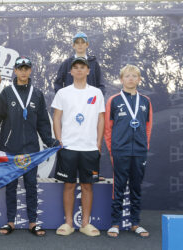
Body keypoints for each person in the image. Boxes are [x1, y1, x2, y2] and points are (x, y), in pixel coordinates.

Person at [0, 56, 59, 236]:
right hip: (10, 149)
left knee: (31, 185)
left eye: (26, 68)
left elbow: (43, 122)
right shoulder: (7, 93)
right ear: (15, 71)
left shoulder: (37, 94)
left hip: (31, 150)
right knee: (11, 186)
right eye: (19, 68)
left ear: (30, 71)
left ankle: (33, 222)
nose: (23, 71)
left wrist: (49, 141)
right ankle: (10, 222)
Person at [52, 57, 105, 237]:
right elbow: (57, 118)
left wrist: (98, 143)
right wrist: (59, 139)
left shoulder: (97, 93)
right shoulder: (63, 93)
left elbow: (101, 119)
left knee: (87, 186)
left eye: (83, 67)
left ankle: (85, 223)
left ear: (89, 71)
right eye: (76, 67)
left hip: (90, 148)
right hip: (68, 147)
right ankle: (68, 223)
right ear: (71, 72)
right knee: (69, 185)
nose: (80, 70)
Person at [104, 65, 152, 238]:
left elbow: (148, 127)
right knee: (119, 186)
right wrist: (112, 149)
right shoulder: (114, 100)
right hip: (120, 150)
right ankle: (115, 223)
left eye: (134, 76)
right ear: (121, 79)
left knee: (136, 187)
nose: (131, 79)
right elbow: (108, 129)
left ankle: (135, 223)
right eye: (127, 76)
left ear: (139, 79)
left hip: (139, 151)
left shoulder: (145, 101)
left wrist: (144, 146)